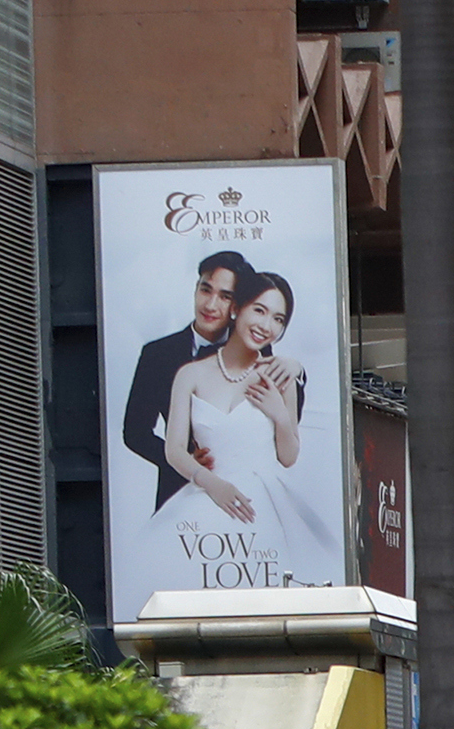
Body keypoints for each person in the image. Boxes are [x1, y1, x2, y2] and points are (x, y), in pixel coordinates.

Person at [153, 269, 337, 588]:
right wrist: (211, 483)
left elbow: (289, 456)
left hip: (265, 503)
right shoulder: (190, 374)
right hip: (205, 497)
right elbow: (174, 450)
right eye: (260, 310)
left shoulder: (280, 376)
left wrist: (280, 415)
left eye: (278, 319)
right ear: (237, 308)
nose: (266, 326)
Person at [124, 251, 267, 511]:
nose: (211, 305)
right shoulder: (157, 354)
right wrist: (184, 462)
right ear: (195, 290)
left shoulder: (255, 348)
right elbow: (135, 432)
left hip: (247, 489)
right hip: (178, 492)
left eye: (225, 297)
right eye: (205, 290)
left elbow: (288, 419)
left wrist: (296, 370)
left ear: (239, 306)